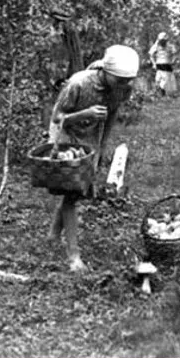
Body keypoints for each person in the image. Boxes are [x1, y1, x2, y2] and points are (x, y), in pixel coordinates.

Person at [48, 44, 139, 272]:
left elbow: (112, 113)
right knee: (72, 193)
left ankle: (51, 236)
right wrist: (84, 114)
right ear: (106, 72)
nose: (126, 84)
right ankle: (73, 257)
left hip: (89, 140)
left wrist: (102, 147)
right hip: (65, 137)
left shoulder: (123, 88)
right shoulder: (78, 83)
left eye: (129, 80)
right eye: (121, 80)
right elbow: (57, 117)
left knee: (76, 190)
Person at [148, 32, 178, 96]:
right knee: (158, 79)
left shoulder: (170, 46)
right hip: (159, 64)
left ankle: (166, 94)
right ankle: (160, 93)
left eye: (164, 40)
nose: (163, 42)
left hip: (167, 64)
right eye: (161, 40)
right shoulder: (156, 46)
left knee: (167, 80)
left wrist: (173, 61)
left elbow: (175, 54)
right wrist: (154, 63)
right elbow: (151, 55)